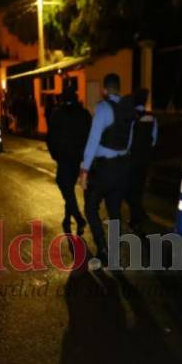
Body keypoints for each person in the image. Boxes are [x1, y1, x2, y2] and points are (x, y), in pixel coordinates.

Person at [79, 73, 136, 268]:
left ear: (104, 90)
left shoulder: (103, 108)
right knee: (114, 211)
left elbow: (93, 140)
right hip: (123, 167)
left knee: (90, 207)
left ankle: (103, 249)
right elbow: (129, 142)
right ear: (118, 88)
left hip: (106, 169)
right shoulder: (129, 109)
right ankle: (114, 254)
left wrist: (85, 170)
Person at [46, 84, 92, 235]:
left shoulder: (57, 114)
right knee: (69, 188)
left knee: (64, 186)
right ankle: (67, 218)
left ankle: (78, 218)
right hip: (77, 158)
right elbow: (89, 135)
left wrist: (56, 155)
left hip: (64, 158)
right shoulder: (84, 114)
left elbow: (50, 138)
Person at [125, 88, 158, 230]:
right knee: (139, 188)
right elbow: (154, 141)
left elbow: (129, 142)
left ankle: (135, 219)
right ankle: (140, 214)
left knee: (131, 189)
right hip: (146, 158)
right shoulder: (152, 118)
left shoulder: (133, 118)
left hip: (133, 158)